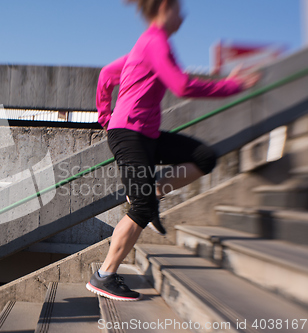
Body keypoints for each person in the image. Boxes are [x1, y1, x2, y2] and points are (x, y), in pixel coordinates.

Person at [86, 0, 260, 301]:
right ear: (165, 7)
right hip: (130, 134)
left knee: (204, 157)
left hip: (145, 135)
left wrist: (105, 115)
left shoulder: (145, 47)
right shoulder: (155, 42)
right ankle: (104, 276)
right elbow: (181, 86)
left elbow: (106, 75)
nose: (184, 15)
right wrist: (232, 86)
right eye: (180, 9)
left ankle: (153, 192)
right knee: (140, 208)